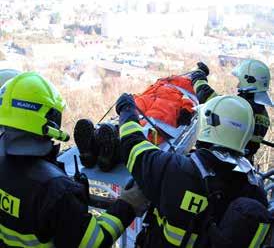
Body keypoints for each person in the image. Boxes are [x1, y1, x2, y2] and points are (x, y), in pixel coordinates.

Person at [0, 72, 148, 248]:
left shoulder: (55, 188)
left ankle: (97, 149)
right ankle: (109, 149)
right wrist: (128, 204)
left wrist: (72, 198)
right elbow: (94, 243)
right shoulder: (56, 190)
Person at [115, 92, 272, 247]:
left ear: (209, 126)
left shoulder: (174, 170)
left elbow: (133, 147)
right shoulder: (256, 191)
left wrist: (126, 109)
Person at [74, 62, 209, 171]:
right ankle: (107, 151)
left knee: (128, 124)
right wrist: (187, 110)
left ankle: (95, 148)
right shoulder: (189, 87)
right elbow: (192, 101)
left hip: (148, 105)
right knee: (143, 132)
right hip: (161, 110)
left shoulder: (165, 81)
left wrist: (131, 101)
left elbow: (189, 101)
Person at [190, 59, 272, 162]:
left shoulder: (245, 108)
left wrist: (198, 78)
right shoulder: (262, 113)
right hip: (240, 163)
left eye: (240, 81)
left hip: (221, 161)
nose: (238, 85)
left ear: (249, 80)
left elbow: (211, 101)